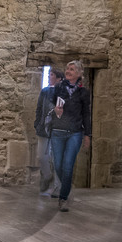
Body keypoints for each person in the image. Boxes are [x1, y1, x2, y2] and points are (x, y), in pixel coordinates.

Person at [46, 60, 92, 212]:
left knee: (68, 166)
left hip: (75, 133)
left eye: (72, 69)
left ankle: (63, 198)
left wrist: (87, 134)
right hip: (58, 131)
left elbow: (86, 114)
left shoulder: (84, 92)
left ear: (78, 73)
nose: (68, 71)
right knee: (58, 165)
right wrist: (56, 111)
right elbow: (50, 105)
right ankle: (67, 184)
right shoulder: (58, 87)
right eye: (67, 68)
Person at [33, 74, 58, 196]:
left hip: (56, 129)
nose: (49, 76)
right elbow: (39, 108)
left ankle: (55, 189)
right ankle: (48, 176)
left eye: (52, 75)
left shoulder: (62, 91)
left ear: (58, 78)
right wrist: (37, 123)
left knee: (55, 158)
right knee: (41, 156)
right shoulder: (45, 91)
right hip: (43, 128)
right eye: (49, 74)